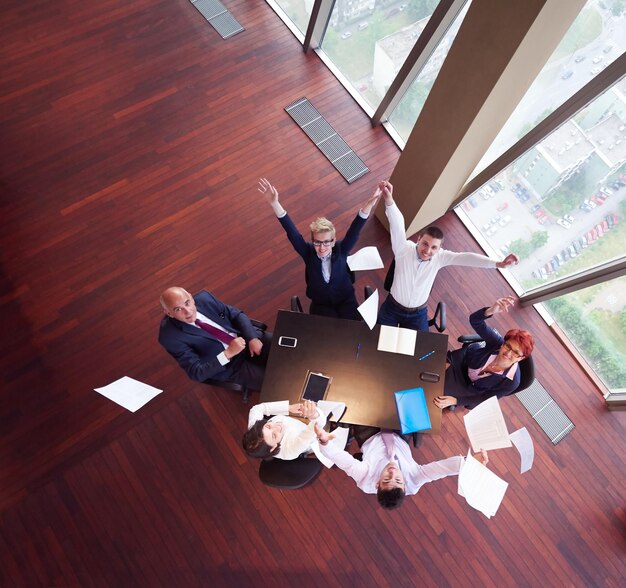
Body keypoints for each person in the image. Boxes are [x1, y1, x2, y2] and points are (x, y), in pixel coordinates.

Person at [377, 180, 520, 331]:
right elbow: (397, 223)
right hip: (392, 308)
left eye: (434, 247)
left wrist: (498, 264)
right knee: (378, 341)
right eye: (425, 244)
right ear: (418, 239)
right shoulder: (403, 249)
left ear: (439, 248)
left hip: (417, 315)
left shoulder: (440, 257)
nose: (428, 251)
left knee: (418, 351)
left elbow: (466, 258)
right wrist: (389, 200)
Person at [258, 177, 381, 320]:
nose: (322, 247)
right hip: (321, 305)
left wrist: (369, 205)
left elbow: (355, 230)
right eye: (317, 242)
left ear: (334, 241)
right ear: (313, 241)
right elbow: (293, 234)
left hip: (346, 301)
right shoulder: (308, 253)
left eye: (326, 242)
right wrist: (275, 204)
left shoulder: (342, 249)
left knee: (352, 334)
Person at [314, 425, 488, 510]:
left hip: (370, 436)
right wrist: (470, 462)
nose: (392, 472)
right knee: (402, 391)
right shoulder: (413, 481)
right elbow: (440, 470)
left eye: (386, 479)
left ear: (377, 484)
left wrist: (324, 442)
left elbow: (343, 460)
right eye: (398, 479)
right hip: (399, 437)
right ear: (405, 485)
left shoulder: (365, 479)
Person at [158, 287, 271, 390]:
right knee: (274, 382)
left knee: (286, 350)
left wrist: (252, 338)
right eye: (178, 309)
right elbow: (196, 373)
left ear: (191, 297)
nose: (188, 312)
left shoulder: (205, 298)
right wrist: (228, 353)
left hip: (245, 339)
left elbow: (236, 315)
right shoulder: (169, 337)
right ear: (169, 313)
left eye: (187, 303)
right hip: (231, 366)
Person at [434, 296, 534, 410]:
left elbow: (484, 398)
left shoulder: (511, 383)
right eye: (508, 346)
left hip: (468, 387)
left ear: (520, 358)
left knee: (433, 394)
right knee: (428, 367)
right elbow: (475, 320)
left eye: (515, 352)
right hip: (463, 362)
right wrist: (491, 310)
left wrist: (456, 400)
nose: (508, 353)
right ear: (503, 344)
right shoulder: (497, 343)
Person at [243, 399, 346, 466]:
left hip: (300, 422)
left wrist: (289, 408)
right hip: (312, 438)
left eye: (268, 426)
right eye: (274, 435)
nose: (277, 426)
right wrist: (314, 415)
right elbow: (316, 428)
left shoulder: (256, 430)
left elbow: (257, 409)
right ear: (274, 447)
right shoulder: (290, 450)